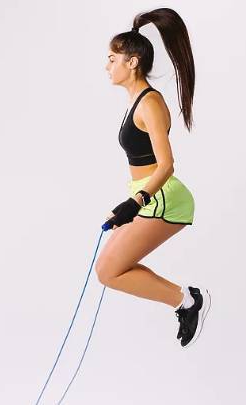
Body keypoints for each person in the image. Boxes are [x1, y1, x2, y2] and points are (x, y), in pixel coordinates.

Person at [97, 7, 211, 348]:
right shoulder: (136, 101)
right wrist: (131, 201)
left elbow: (166, 165)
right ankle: (186, 299)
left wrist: (135, 203)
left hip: (163, 198)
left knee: (109, 271)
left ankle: (188, 301)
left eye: (112, 59)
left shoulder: (150, 103)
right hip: (146, 194)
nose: (107, 66)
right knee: (110, 269)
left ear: (132, 62)